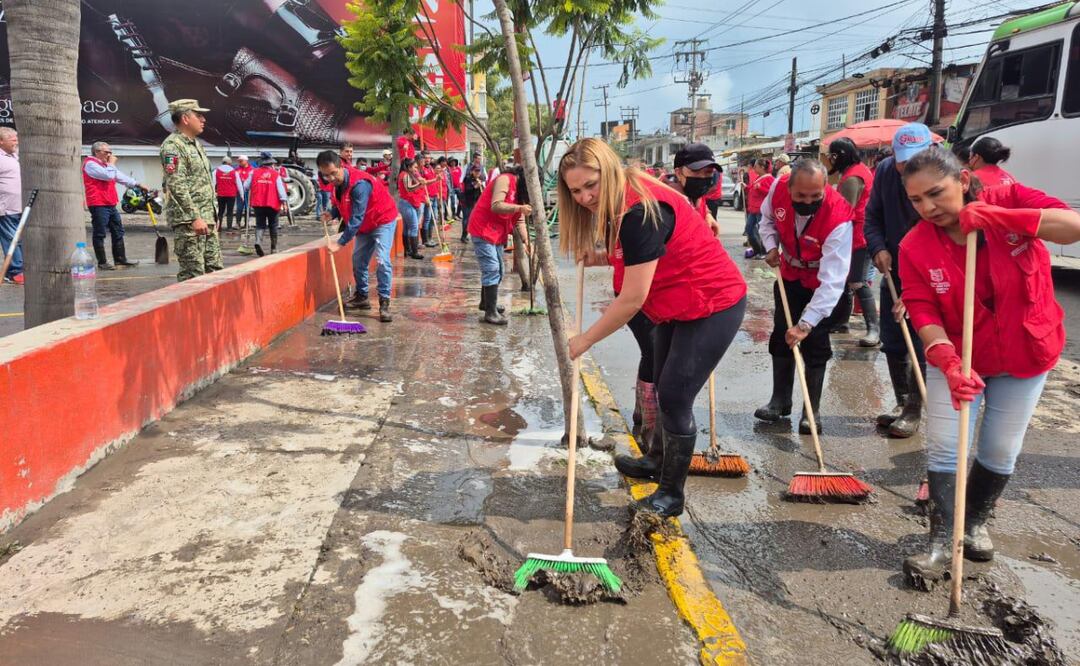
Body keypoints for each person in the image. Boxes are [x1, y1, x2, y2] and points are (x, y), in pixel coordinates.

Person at [897, 146, 1080, 587]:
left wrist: (999, 219)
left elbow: (1072, 227)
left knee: (1000, 449)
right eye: (916, 200)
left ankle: (974, 522)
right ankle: (942, 541)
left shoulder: (1013, 196)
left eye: (936, 194)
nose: (928, 208)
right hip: (958, 359)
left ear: (962, 180)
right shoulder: (914, 245)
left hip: (1026, 353)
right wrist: (945, 357)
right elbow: (921, 309)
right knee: (945, 446)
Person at [560, 138, 747, 518]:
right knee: (663, 385)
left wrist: (584, 340)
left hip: (711, 302)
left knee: (676, 395)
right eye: (575, 190)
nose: (583, 197)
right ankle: (657, 460)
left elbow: (630, 300)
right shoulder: (623, 196)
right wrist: (599, 257)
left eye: (590, 185)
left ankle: (671, 494)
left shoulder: (640, 211)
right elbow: (639, 256)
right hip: (674, 305)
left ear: (608, 170)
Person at [754, 160, 854, 434]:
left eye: (815, 196)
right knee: (780, 334)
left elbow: (833, 281)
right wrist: (771, 246)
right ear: (789, 187)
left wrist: (806, 324)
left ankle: (812, 410)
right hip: (788, 275)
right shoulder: (777, 190)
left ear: (825, 188)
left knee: (815, 343)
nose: (808, 201)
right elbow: (767, 221)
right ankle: (780, 400)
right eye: (801, 196)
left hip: (820, 282)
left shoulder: (839, 217)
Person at [863, 123, 934, 438]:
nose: (909, 168)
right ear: (894, 155)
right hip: (894, 269)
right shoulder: (885, 172)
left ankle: (915, 408)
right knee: (893, 338)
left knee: (921, 339)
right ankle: (901, 401)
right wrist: (878, 248)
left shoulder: (941, 175)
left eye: (916, 159)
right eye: (904, 161)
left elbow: (943, 231)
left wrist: (918, 283)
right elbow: (872, 217)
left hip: (930, 272)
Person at [317, 151, 400, 322]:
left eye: (333, 173)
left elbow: (356, 217)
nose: (331, 178)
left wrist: (340, 243)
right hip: (364, 226)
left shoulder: (360, 184)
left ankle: (384, 302)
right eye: (326, 175)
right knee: (358, 261)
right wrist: (331, 214)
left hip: (381, 220)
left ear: (341, 166)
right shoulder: (337, 184)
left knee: (382, 260)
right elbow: (341, 204)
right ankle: (362, 297)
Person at [160, 99, 222, 282]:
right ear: (186, 118)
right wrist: (195, 217)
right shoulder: (173, 146)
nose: (203, 119)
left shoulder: (195, 144)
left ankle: (213, 312)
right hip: (190, 223)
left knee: (215, 272)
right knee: (193, 276)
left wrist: (212, 217)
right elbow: (176, 184)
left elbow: (203, 184)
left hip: (206, 220)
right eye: (199, 115)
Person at [825, 137, 879, 346]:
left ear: (838, 156)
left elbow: (844, 212)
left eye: (831, 156)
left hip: (858, 236)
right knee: (845, 280)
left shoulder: (851, 178)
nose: (829, 161)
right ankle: (841, 321)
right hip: (856, 234)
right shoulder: (858, 170)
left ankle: (873, 330)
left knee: (857, 281)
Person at [467, 166, 531, 325]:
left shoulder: (520, 194)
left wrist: (526, 240)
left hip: (497, 232)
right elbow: (496, 205)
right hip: (483, 228)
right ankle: (490, 312)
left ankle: (487, 303)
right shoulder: (506, 179)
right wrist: (519, 208)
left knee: (499, 269)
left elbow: (519, 219)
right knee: (492, 268)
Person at [83, 141, 147, 270]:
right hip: (98, 203)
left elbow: (119, 176)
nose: (109, 154)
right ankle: (102, 262)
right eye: (106, 152)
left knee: (118, 231)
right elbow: (108, 176)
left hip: (110, 202)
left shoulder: (106, 165)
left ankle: (120, 259)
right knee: (100, 233)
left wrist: (137, 184)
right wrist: (111, 163)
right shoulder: (90, 164)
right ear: (96, 152)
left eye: (110, 152)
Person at [671, 143, 723, 237]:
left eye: (708, 172)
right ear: (678, 173)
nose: (702, 178)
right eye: (695, 171)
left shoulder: (695, 194)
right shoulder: (668, 208)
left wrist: (707, 214)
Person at [249, 151, 288, 255]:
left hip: (258, 203)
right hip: (272, 204)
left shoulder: (254, 172)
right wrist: (284, 202)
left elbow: (245, 186)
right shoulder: (276, 174)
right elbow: (281, 191)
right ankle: (274, 248)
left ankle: (258, 242)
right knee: (273, 225)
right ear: (272, 164)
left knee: (260, 224)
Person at [0, 127, 23, 285]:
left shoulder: (14, 155)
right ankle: (15, 271)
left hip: (20, 206)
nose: (16, 142)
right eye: (13, 140)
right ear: (1, 141)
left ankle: (15, 269)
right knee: (11, 238)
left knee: (19, 239)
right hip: (5, 208)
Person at [396, 158, 427, 259]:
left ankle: (407, 250)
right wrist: (420, 184)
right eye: (414, 167)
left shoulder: (404, 174)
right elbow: (408, 188)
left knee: (406, 228)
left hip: (404, 203)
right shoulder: (405, 175)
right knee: (414, 227)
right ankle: (414, 252)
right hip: (406, 203)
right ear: (409, 167)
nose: (416, 169)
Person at [744, 159, 774, 258]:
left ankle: (764, 252)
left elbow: (771, 193)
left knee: (762, 231)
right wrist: (747, 187)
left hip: (761, 210)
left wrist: (760, 188)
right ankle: (757, 249)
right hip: (753, 209)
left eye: (756, 166)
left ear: (762, 167)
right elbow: (753, 189)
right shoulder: (758, 178)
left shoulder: (769, 179)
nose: (754, 168)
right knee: (749, 229)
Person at [213, 157, 243, 231]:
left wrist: (213, 193)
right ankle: (229, 227)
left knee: (220, 211)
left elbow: (213, 183)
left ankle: (218, 227)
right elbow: (239, 184)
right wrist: (242, 195)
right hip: (231, 195)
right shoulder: (234, 172)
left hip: (220, 194)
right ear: (230, 163)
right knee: (230, 211)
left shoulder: (216, 171)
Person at [459, 164, 484, 242]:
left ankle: (469, 234)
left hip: (475, 202)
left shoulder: (480, 179)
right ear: (472, 171)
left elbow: (481, 191)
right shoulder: (468, 179)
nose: (477, 173)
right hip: (467, 202)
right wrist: (476, 186)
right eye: (476, 171)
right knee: (466, 219)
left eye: (478, 171)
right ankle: (463, 236)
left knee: (473, 219)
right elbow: (468, 190)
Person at [418, 153, 438, 247]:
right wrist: (425, 196)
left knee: (432, 219)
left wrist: (437, 192)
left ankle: (429, 238)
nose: (427, 160)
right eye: (425, 158)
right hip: (427, 196)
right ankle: (425, 240)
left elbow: (433, 181)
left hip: (434, 195)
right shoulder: (422, 170)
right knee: (426, 219)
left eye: (429, 158)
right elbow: (422, 185)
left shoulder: (431, 168)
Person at [234, 155, 253, 222]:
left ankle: (247, 223)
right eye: (239, 161)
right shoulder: (237, 169)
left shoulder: (252, 169)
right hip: (239, 192)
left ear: (246, 161)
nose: (239, 162)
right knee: (239, 208)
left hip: (249, 191)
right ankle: (238, 223)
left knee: (248, 207)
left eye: (241, 161)